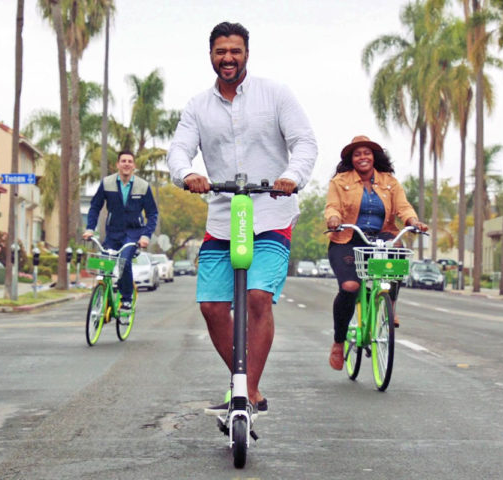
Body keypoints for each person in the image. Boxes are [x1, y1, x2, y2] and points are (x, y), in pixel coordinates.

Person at [167, 21, 317, 415]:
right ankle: (243, 382)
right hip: (222, 216)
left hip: (270, 213)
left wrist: (291, 177)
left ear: (247, 53)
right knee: (212, 307)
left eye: (235, 51)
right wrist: (188, 174)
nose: (228, 58)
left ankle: (247, 391)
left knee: (256, 296)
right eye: (220, 52)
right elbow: (179, 150)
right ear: (211, 55)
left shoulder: (276, 94)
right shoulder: (197, 106)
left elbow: (304, 142)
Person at [324, 135, 427, 370]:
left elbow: (403, 207)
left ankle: (390, 303)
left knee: (398, 252)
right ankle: (339, 342)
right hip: (348, 238)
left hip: (381, 235)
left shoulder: (389, 181)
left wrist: (413, 220)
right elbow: (332, 206)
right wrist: (333, 218)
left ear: (374, 157)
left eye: (367, 153)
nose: (363, 157)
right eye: (357, 154)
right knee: (351, 287)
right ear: (351, 159)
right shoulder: (340, 181)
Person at [82, 150, 158, 310]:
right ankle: (103, 294)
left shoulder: (143, 186)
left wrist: (146, 235)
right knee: (104, 264)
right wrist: (90, 228)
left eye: (130, 161)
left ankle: (126, 299)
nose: (126, 164)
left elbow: (152, 213)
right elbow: (95, 207)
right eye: (123, 161)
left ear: (134, 166)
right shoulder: (107, 183)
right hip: (113, 233)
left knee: (124, 262)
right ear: (117, 165)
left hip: (133, 234)